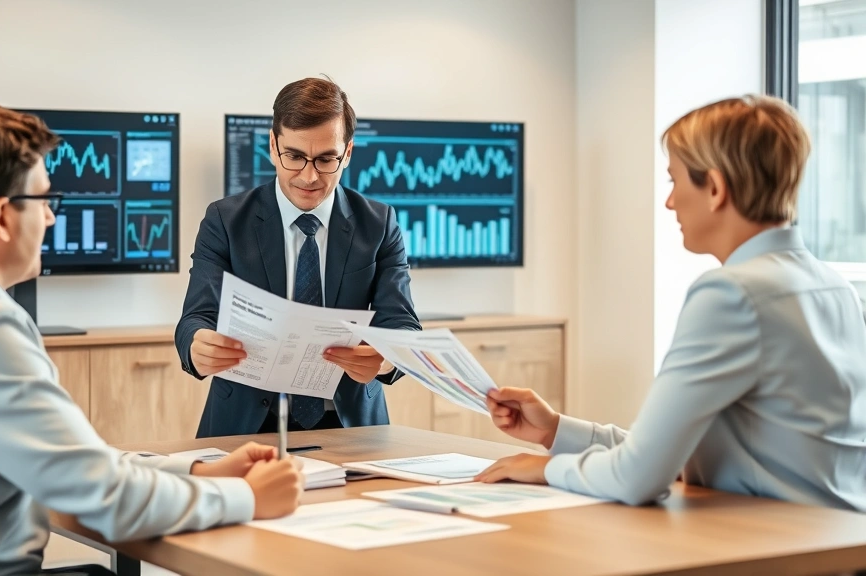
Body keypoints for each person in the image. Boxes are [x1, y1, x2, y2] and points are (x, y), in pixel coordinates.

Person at [0, 101, 304, 576]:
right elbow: (104, 497)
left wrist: (199, 471)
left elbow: (74, 463)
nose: (49, 218)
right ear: (1, 217)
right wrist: (247, 496)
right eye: (44, 200)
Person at [475, 95, 866, 512]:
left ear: (714, 188)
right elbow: (659, 453)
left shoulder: (732, 294)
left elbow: (636, 477)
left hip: (771, 542)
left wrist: (545, 469)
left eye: (673, 181)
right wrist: (554, 431)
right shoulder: (835, 288)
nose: (670, 201)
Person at [176, 77, 420, 438]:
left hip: (351, 425)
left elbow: (402, 325)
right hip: (245, 424)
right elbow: (196, 317)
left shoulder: (379, 223)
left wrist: (385, 358)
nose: (309, 176)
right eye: (294, 157)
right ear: (273, 146)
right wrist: (198, 344)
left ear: (347, 153)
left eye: (326, 159)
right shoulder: (225, 220)